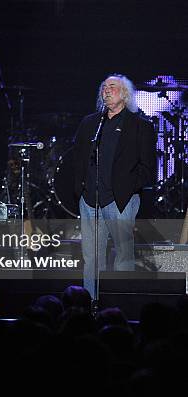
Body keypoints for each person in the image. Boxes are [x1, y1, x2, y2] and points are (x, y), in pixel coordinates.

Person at [72, 74, 156, 297]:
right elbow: (76, 158)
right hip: (90, 200)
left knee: (123, 255)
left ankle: (120, 301)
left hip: (121, 200)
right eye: (104, 87)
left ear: (125, 94)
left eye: (113, 87)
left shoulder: (140, 126)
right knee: (92, 258)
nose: (106, 91)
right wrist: (79, 189)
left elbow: (148, 168)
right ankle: (91, 304)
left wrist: (128, 188)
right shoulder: (90, 123)